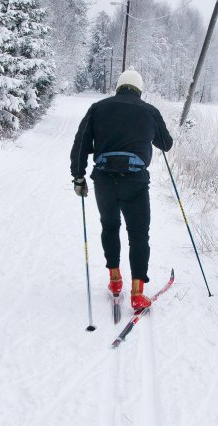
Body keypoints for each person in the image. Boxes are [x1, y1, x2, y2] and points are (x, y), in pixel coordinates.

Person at [70, 69, 174, 310]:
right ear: (139, 89)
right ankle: (137, 293)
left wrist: (78, 177)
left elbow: (81, 144)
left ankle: (115, 281)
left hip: (104, 181)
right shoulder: (149, 111)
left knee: (110, 226)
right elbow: (165, 144)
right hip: (135, 182)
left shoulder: (98, 108)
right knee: (138, 234)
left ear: (118, 87)